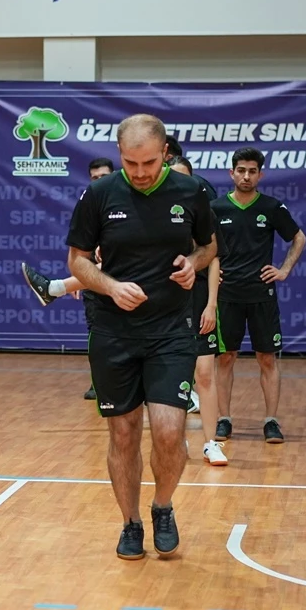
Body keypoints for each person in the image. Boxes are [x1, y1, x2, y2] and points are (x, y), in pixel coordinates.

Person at [66, 114, 216, 560]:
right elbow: (77, 260)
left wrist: (193, 263)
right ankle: (130, 523)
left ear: (165, 153)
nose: (140, 172)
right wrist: (111, 286)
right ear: (120, 155)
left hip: (171, 330)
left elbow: (209, 246)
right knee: (124, 433)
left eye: (149, 162)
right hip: (113, 332)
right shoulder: (99, 195)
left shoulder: (191, 191)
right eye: (130, 163)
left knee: (169, 431)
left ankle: (162, 506)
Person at [212, 147, 306, 444]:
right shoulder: (216, 208)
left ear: (260, 175)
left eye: (252, 171)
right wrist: (208, 271)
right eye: (241, 170)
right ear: (231, 173)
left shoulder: (271, 207)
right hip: (226, 295)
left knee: (266, 358)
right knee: (225, 358)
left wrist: (284, 269)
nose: (246, 176)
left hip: (262, 295)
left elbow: (299, 238)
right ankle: (224, 419)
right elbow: (198, 245)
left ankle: (271, 421)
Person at [19, 157, 114, 399]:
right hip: (95, 278)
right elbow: (79, 246)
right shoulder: (89, 204)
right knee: (97, 333)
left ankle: (53, 288)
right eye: (94, 178)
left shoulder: (127, 201)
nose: (99, 182)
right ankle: (99, 383)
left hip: (120, 276)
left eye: (104, 177)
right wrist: (79, 276)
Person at [168, 156, 228, 466]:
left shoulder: (204, 212)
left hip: (200, 301)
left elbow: (215, 259)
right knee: (173, 376)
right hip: (167, 305)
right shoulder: (154, 213)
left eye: (185, 177)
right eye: (174, 177)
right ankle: (175, 441)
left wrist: (211, 305)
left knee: (205, 374)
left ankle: (211, 443)